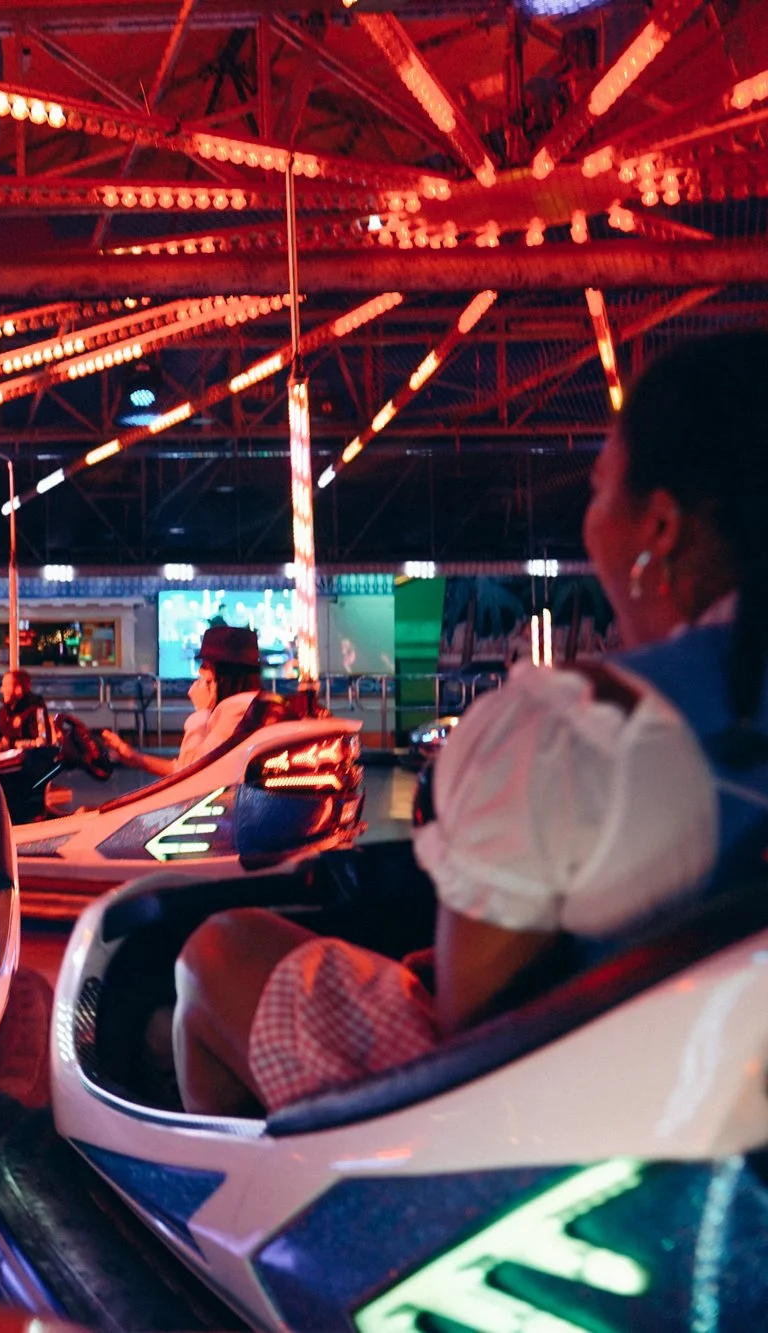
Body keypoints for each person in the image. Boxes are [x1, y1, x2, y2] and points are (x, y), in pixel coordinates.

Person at [172, 329, 768, 1118]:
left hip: (566, 1120)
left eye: (597, 489)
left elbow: (472, 1028)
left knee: (216, 951)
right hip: (715, 1073)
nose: (590, 520)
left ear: (660, 529)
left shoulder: (569, 729)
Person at [101, 625, 262, 776]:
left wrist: (201, 712)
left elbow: (192, 773)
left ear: (225, 674)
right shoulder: (247, 704)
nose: (200, 672)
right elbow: (182, 769)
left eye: (206, 665)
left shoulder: (237, 709)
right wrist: (134, 757)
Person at [0, 669, 52, 750]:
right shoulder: (4, 711)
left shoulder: (36, 708)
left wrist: (14, 744)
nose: (1, 690)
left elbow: (43, 741)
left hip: (29, 760)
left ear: (18, 689)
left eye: (5, 685)